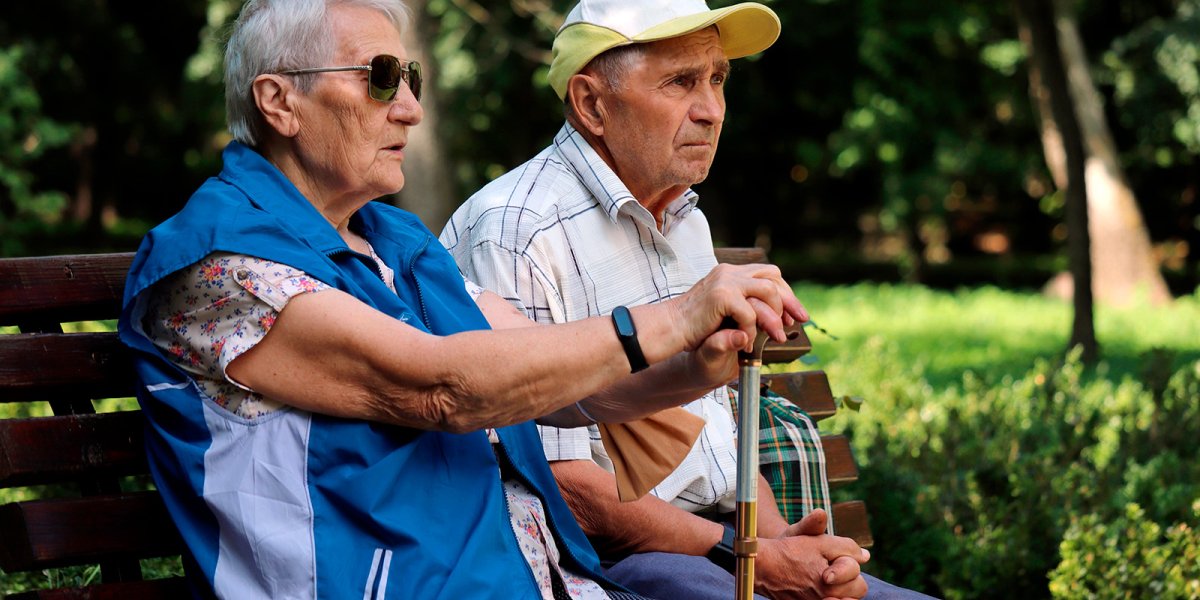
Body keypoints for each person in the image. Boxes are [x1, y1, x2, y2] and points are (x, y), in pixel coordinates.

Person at [116, 0, 810, 598]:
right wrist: (675, 317)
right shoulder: (222, 268)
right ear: (278, 102)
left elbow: (556, 382)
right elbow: (441, 389)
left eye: (410, 78)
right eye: (379, 78)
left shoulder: (391, 241)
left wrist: (695, 367)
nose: (411, 108)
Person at [440, 1, 938, 599]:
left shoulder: (683, 218)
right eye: (680, 82)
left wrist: (782, 541)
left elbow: (719, 439)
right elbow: (563, 487)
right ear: (592, 104)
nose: (711, 110)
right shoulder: (516, 230)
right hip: (609, 562)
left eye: (717, 79)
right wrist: (752, 558)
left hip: (721, 545)